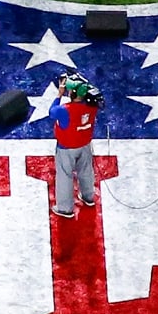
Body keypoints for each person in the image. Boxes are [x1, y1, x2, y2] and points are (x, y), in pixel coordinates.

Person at [49, 73, 100, 219]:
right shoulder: (92, 106)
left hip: (66, 147)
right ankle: (88, 196)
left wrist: (59, 93)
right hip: (84, 144)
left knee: (65, 175)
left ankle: (65, 208)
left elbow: (52, 112)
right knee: (86, 171)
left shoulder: (63, 110)